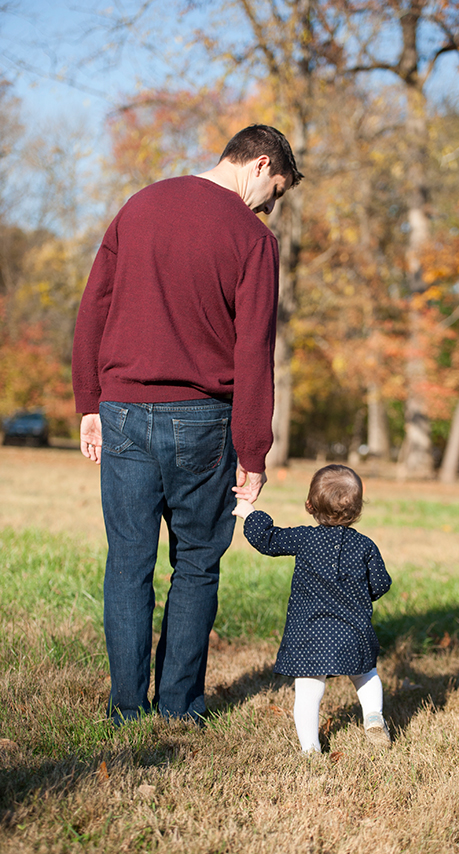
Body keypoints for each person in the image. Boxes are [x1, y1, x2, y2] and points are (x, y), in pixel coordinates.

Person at [72, 124, 303, 725]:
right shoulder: (253, 239)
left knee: (127, 564)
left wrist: (89, 401)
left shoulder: (141, 204)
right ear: (258, 164)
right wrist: (253, 452)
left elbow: (93, 304)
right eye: (273, 192)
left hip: (122, 410)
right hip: (203, 419)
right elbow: (254, 352)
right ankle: (178, 708)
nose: (268, 207)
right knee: (197, 563)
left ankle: (127, 709)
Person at [233, 464, 392, 753]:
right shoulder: (365, 546)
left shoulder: (305, 539)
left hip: (310, 632)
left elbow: (268, 540)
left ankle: (310, 750)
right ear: (357, 511)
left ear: (309, 505)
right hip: (352, 629)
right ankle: (372, 715)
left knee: (308, 692)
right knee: (366, 674)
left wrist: (251, 514)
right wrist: (359, 598)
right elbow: (381, 583)